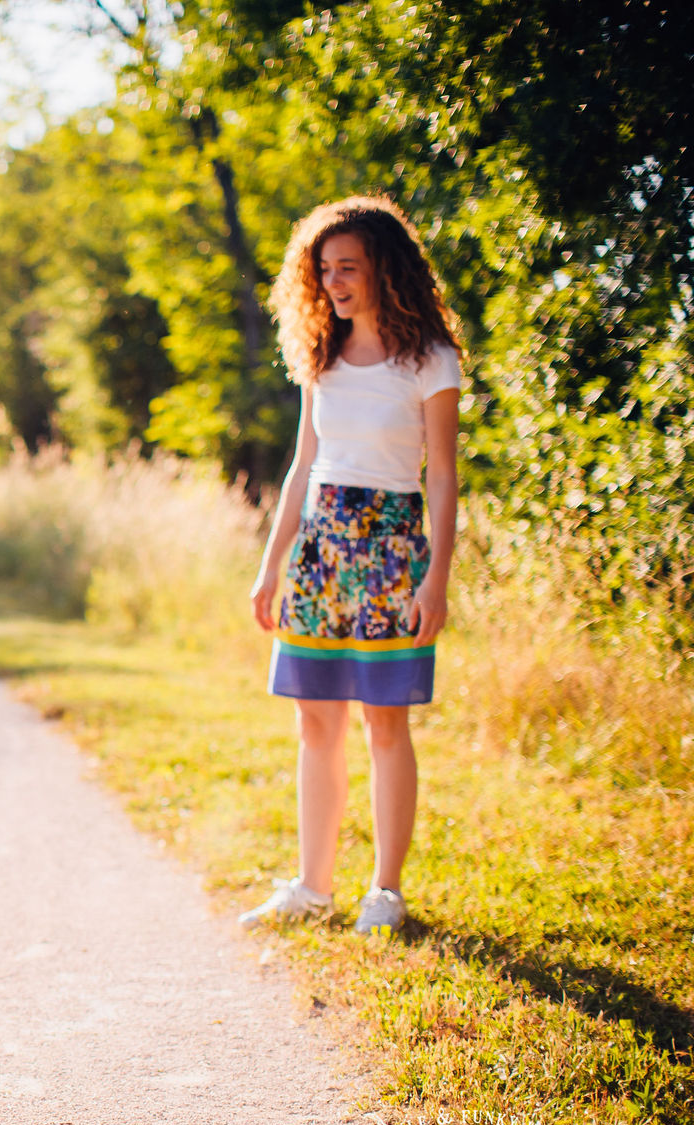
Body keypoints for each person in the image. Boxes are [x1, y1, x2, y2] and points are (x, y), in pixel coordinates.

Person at [244, 195, 464, 936]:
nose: (334, 282)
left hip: (394, 548)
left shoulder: (430, 358)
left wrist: (437, 575)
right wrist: (271, 565)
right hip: (320, 549)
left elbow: (442, 475)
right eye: (325, 269)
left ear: (383, 269)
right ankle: (313, 885)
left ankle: (386, 892)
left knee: (385, 724)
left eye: (349, 267)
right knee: (316, 723)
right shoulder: (320, 356)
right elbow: (303, 465)